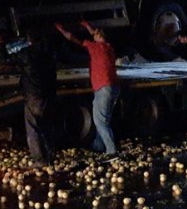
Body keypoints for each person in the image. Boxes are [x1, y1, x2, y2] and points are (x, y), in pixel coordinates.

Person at [55, 20, 120, 159]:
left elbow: (73, 38)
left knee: (100, 122)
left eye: (94, 35)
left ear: (97, 36)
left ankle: (112, 151)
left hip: (103, 88)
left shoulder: (95, 47)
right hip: (112, 87)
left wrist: (61, 30)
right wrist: (88, 26)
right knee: (103, 120)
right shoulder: (109, 47)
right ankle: (98, 145)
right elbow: (96, 34)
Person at [15, 26, 58, 167]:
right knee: (46, 126)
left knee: (33, 128)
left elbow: (8, 58)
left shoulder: (26, 53)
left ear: (28, 40)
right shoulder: (49, 52)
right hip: (48, 94)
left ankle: (40, 160)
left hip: (34, 95)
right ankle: (50, 155)